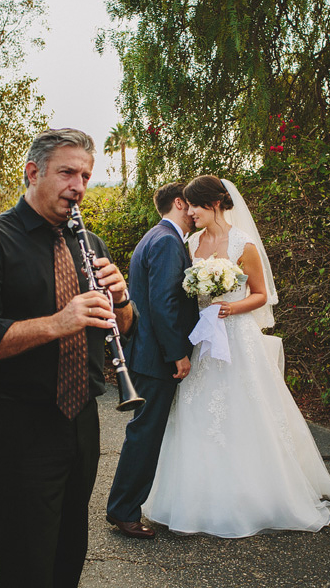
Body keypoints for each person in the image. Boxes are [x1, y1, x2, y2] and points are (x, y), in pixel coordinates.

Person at [0, 128, 134, 587]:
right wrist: (58, 322)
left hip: (81, 422)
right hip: (20, 424)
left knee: (68, 557)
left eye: (86, 176)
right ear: (33, 173)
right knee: (25, 565)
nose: (79, 186)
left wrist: (123, 298)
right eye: (67, 172)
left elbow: (123, 329)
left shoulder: (89, 244)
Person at [141, 174, 330, 538]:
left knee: (246, 411)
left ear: (215, 204)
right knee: (199, 413)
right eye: (187, 205)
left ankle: (257, 494)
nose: (190, 212)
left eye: (195, 205)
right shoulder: (190, 243)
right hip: (204, 342)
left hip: (238, 339)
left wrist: (230, 309)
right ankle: (199, 495)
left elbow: (261, 295)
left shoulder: (243, 243)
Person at [105, 182, 198, 539]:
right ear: (179, 202)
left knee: (143, 432)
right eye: (189, 204)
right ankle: (124, 512)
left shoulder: (157, 237)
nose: (193, 212)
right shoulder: (166, 242)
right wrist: (177, 354)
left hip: (147, 353)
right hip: (155, 357)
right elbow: (162, 304)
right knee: (144, 435)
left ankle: (122, 507)